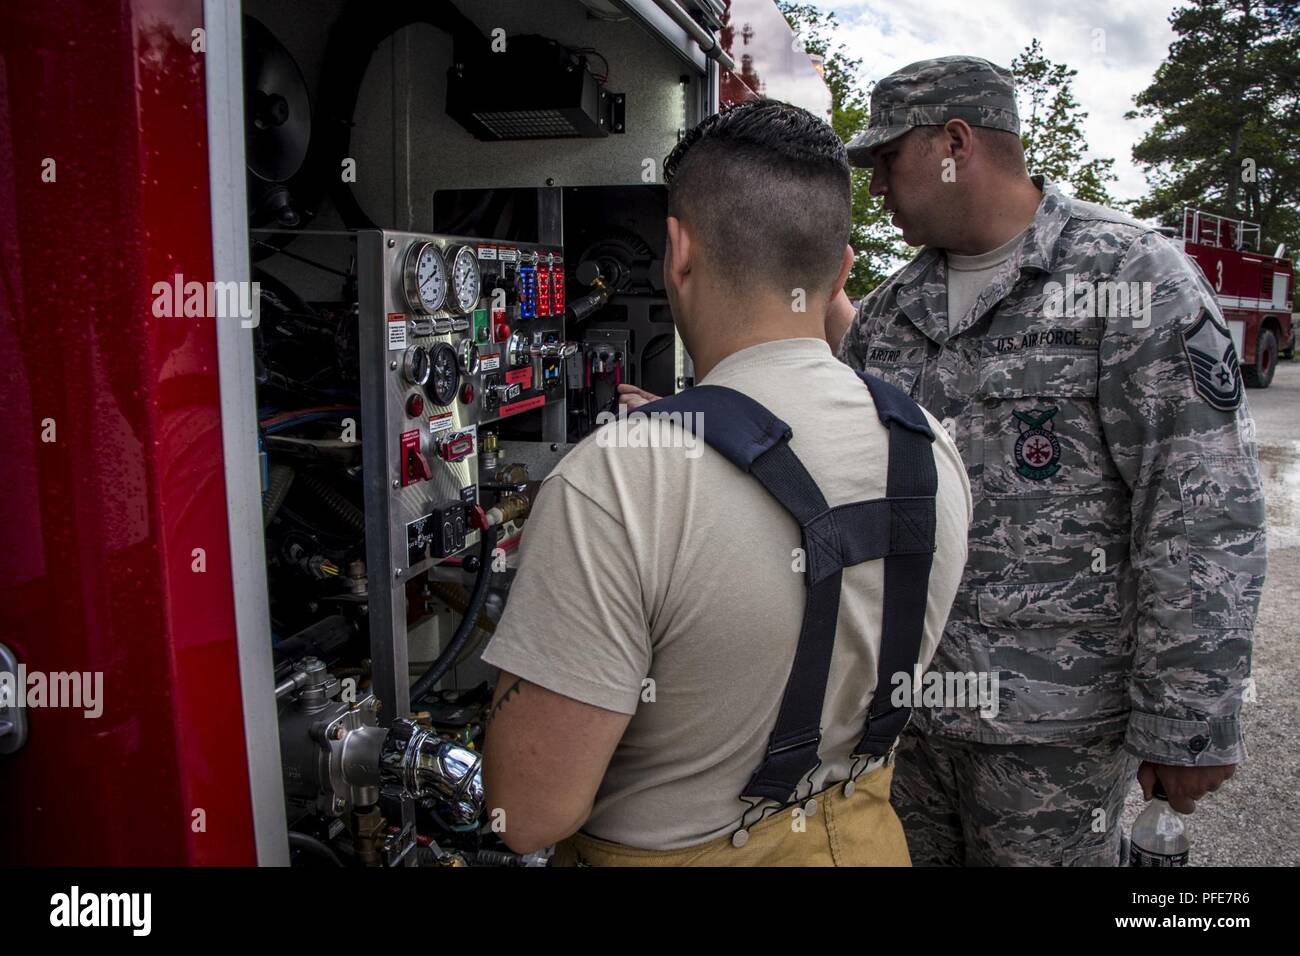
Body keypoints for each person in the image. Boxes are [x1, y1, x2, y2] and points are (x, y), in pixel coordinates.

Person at [477, 99, 972, 865]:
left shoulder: (617, 479)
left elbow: (526, 814)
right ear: (842, 269)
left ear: (677, 251)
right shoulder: (928, 443)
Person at [836, 55, 1265, 865]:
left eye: (887, 160)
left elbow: (1202, 506)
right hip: (908, 725)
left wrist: (1189, 717)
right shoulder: (891, 313)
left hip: (1054, 735)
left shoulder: (1129, 277)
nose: (877, 189)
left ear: (954, 143)